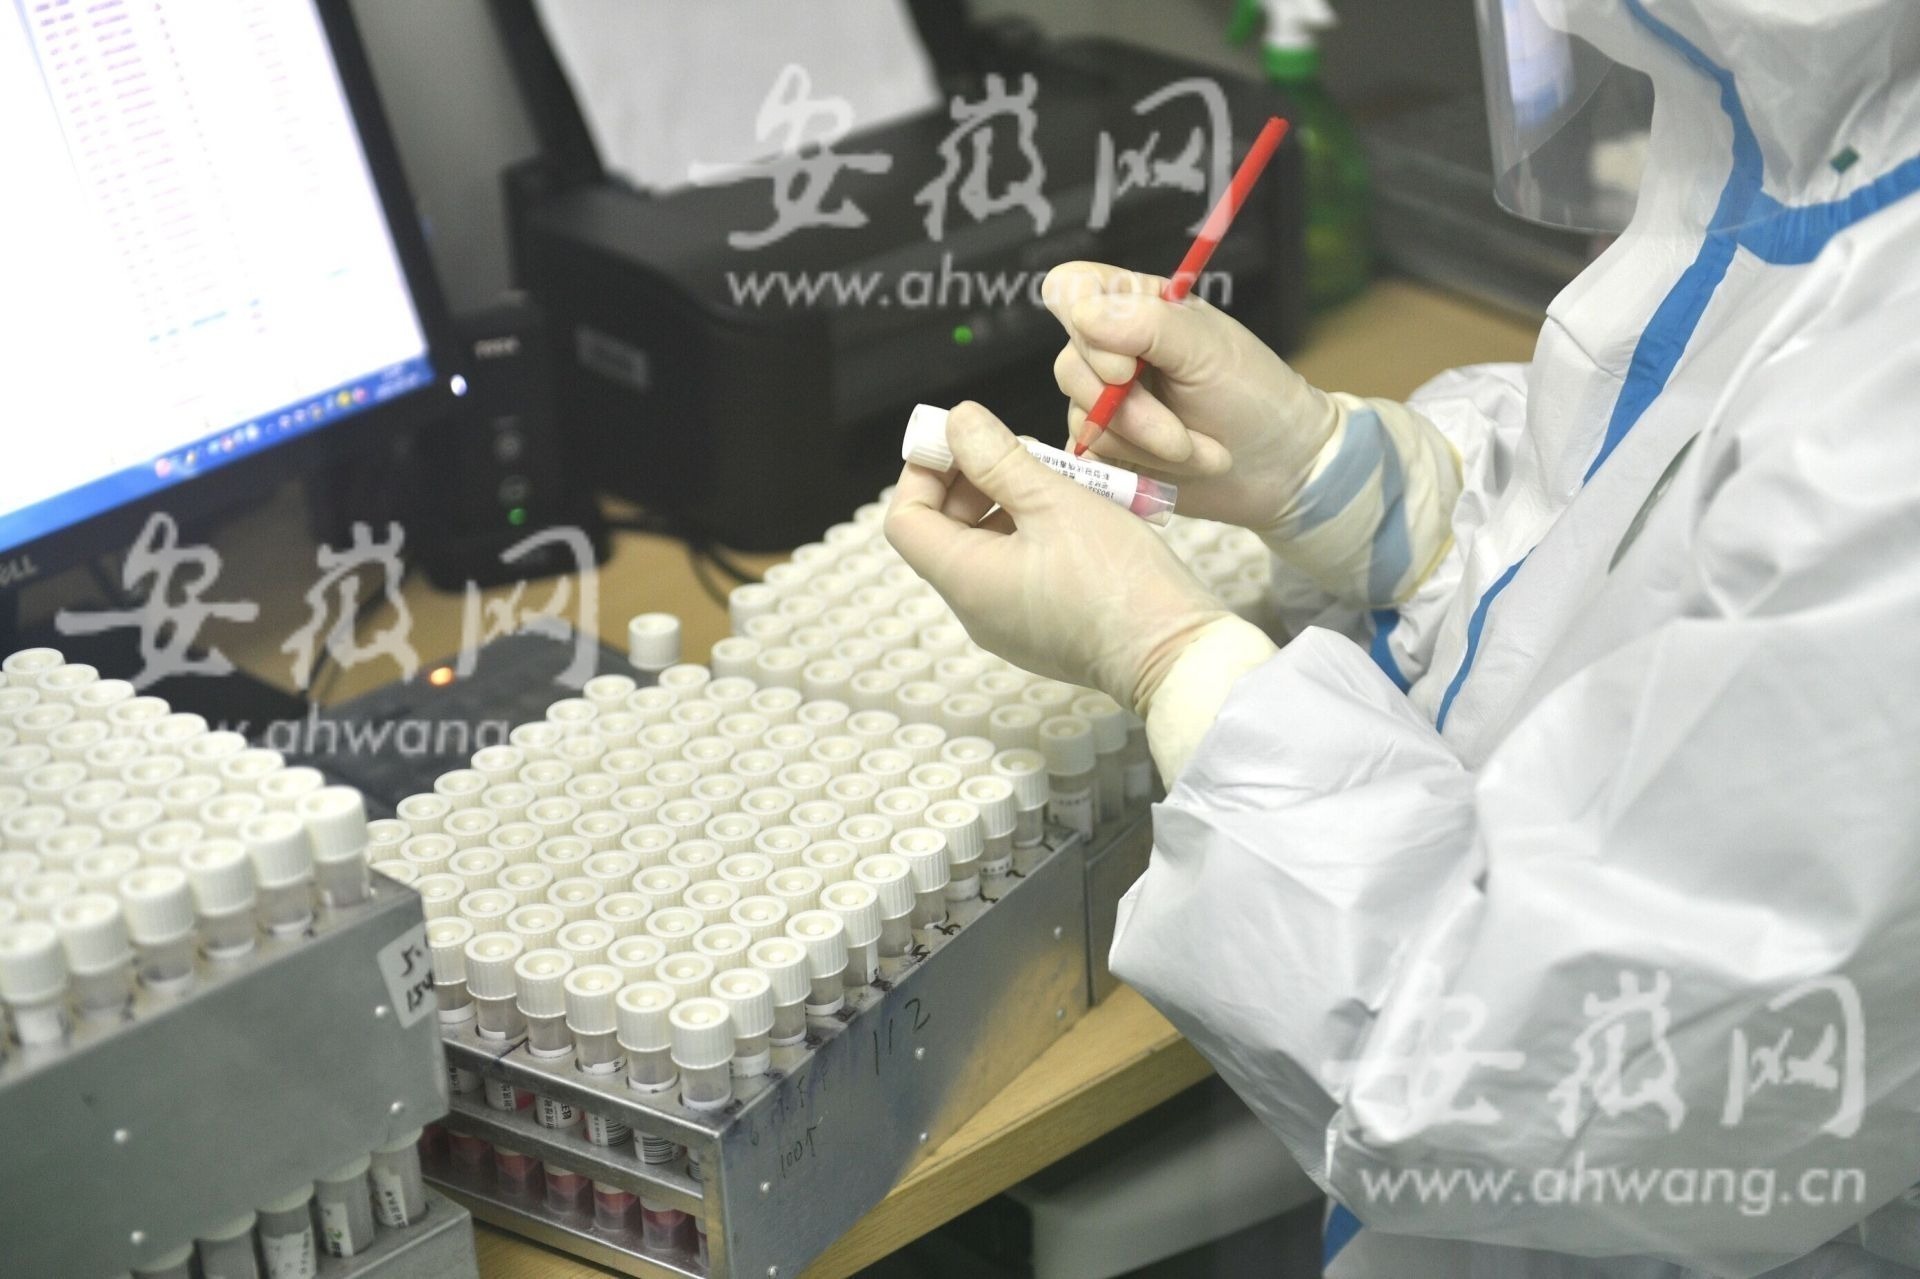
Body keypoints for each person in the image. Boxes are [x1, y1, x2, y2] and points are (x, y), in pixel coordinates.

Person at [885, 0, 1920, 1275]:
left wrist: (1170, 654)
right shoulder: (1823, 128)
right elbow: (1639, 541)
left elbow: (1543, 1075)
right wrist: (1354, 483)